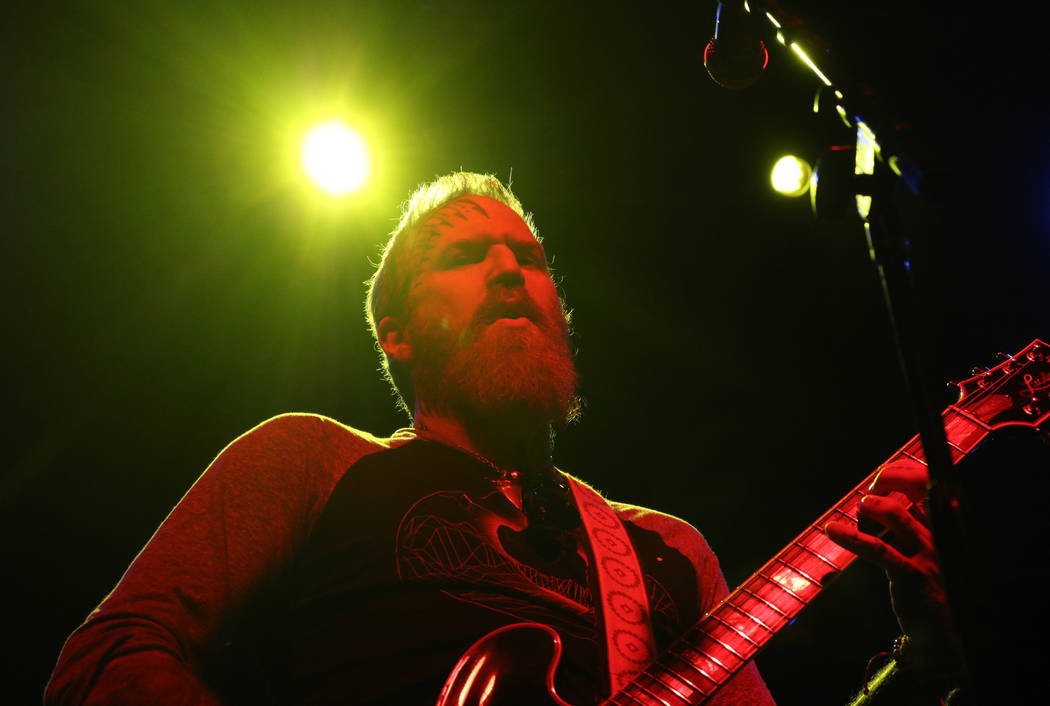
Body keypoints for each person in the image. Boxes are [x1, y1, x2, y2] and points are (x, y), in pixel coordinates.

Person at [44, 172, 952, 706]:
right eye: (464, 256)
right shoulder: (313, 460)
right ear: (396, 332)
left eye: (530, 260)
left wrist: (923, 662)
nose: (511, 272)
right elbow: (107, 658)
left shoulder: (669, 553)